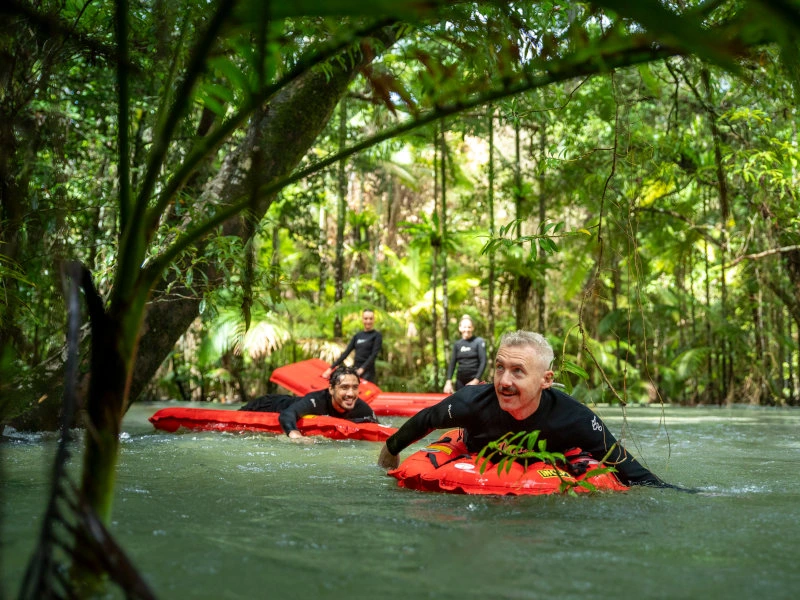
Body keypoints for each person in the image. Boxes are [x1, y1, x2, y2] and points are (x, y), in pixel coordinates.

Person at [378, 330, 671, 488]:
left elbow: (633, 472)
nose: (504, 381)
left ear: (546, 380)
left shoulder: (575, 418)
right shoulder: (471, 402)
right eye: (500, 368)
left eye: (518, 371)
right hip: (476, 454)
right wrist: (388, 454)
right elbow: (424, 420)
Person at [241, 366, 378, 439]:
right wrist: (296, 435)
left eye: (355, 388)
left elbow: (378, 427)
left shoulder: (361, 408)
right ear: (331, 389)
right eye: (344, 387)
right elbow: (287, 414)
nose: (351, 394)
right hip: (268, 405)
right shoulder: (316, 400)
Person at [322, 308, 382, 384]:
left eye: (371, 319)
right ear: (362, 319)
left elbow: (373, 355)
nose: (368, 321)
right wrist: (331, 368)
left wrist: (362, 369)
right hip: (355, 369)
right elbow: (346, 353)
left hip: (368, 372)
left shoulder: (377, 335)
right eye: (366, 318)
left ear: (374, 320)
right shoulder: (357, 336)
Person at [443, 315, 487, 394]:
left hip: (475, 381)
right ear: (460, 328)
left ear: (473, 328)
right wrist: (448, 381)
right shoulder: (457, 344)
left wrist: (476, 380)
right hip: (460, 382)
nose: (466, 329)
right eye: (464, 327)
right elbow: (452, 363)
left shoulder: (479, 342)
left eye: (469, 327)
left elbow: (483, 361)